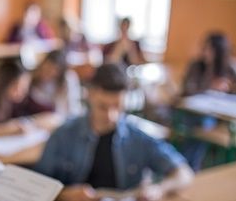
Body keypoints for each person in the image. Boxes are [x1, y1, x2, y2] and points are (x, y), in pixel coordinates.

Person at [35, 64, 193, 201]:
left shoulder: (138, 137)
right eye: (103, 107)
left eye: (118, 107)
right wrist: (65, 194)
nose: (111, 116)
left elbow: (184, 172)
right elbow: (37, 185)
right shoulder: (63, 135)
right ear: (90, 95)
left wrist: (159, 189)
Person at [178, 32, 236, 171]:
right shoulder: (196, 66)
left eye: (210, 49)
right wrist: (209, 86)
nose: (205, 52)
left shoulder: (228, 69)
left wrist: (228, 89)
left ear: (219, 51)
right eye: (205, 48)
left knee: (203, 127)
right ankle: (189, 166)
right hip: (192, 114)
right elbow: (186, 90)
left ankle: (188, 166)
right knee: (200, 126)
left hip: (218, 120)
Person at [25, 50, 83, 118]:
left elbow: (72, 108)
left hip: (64, 119)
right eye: (46, 68)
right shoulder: (31, 77)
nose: (48, 72)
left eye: (53, 70)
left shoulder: (68, 79)